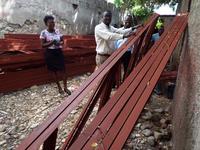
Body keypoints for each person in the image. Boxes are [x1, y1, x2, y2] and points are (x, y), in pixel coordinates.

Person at [40, 15, 71, 95]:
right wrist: (52, 42)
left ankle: (65, 87)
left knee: (63, 70)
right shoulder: (43, 33)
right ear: (46, 23)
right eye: (50, 22)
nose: (52, 24)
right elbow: (42, 45)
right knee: (54, 71)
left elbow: (62, 41)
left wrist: (59, 43)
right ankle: (59, 87)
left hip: (58, 52)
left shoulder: (57, 31)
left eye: (53, 22)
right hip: (50, 53)